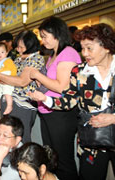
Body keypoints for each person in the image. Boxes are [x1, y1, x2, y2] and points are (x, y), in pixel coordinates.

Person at [29, 23, 115, 180]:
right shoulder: (80, 71)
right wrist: (45, 99)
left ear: (107, 47)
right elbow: (69, 100)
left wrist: (112, 118)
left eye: (89, 48)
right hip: (92, 142)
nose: (84, 53)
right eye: (82, 48)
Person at [24, 16, 82, 180]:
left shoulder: (68, 53)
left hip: (61, 113)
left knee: (64, 160)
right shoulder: (53, 55)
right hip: (48, 111)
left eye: (45, 36)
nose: (43, 41)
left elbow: (62, 87)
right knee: (52, 157)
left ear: (56, 33)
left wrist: (37, 75)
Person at [0, 30, 45, 143]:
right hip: (9, 100)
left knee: (20, 138)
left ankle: (22, 160)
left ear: (30, 45)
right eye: (17, 47)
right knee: (7, 137)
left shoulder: (36, 59)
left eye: (21, 47)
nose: (18, 49)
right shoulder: (18, 59)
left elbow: (22, 81)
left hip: (23, 104)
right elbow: (7, 76)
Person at [0, 42, 17, 115]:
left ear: (6, 53)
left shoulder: (8, 61)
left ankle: (9, 105)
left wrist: (12, 77)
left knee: (7, 92)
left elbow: (12, 69)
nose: (0, 54)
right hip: (2, 81)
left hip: (8, 81)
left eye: (2, 52)